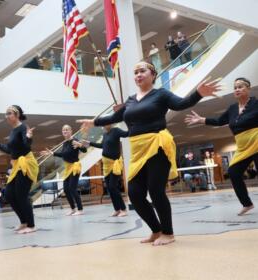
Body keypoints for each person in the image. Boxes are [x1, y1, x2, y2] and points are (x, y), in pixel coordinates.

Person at [77, 61, 221, 246]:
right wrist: (93, 122)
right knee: (135, 194)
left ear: (152, 74)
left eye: (142, 70)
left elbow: (181, 104)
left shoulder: (161, 94)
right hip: (137, 149)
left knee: (156, 191)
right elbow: (114, 118)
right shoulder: (130, 100)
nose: (138, 74)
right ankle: (156, 230)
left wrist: (199, 93)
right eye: (135, 72)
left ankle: (168, 233)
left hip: (157, 146)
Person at [185, 77, 258, 216]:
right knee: (233, 173)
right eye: (235, 87)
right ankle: (247, 203)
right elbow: (219, 121)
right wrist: (202, 120)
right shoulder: (232, 109)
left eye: (241, 86)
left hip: (257, 142)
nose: (237, 89)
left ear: (248, 88)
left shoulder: (256, 104)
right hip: (243, 147)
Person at [0, 105, 39, 234]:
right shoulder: (13, 131)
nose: (6, 116)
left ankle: (31, 225)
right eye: (6, 114)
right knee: (9, 193)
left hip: (26, 164)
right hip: (17, 165)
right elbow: (13, 150)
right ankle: (23, 222)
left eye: (9, 113)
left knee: (21, 196)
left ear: (17, 115)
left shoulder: (23, 127)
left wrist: (29, 137)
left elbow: (25, 145)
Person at [82, 125, 128, 217]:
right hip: (106, 166)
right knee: (110, 188)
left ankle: (123, 209)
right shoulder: (105, 134)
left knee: (113, 187)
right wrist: (89, 143)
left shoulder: (116, 131)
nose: (103, 125)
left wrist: (133, 123)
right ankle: (117, 209)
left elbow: (126, 134)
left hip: (114, 164)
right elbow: (102, 145)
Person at [41, 125, 87, 216]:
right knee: (66, 189)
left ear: (71, 131)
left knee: (72, 189)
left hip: (75, 166)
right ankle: (73, 209)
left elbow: (84, 150)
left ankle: (80, 209)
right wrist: (52, 153)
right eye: (63, 130)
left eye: (67, 130)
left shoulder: (74, 140)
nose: (65, 131)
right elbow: (63, 154)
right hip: (68, 168)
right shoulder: (65, 143)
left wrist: (80, 145)